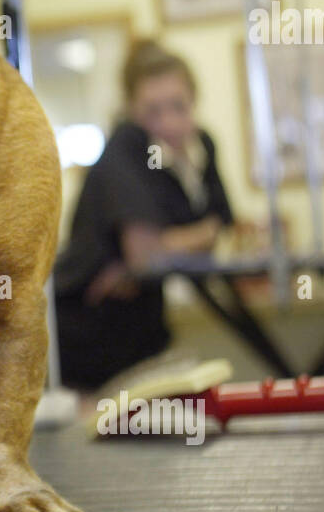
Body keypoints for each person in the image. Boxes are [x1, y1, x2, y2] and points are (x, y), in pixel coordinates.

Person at [54, 38, 234, 392]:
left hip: (143, 331)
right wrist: (184, 241)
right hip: (89, 339)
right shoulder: (125, 150)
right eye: (153, 111)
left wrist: (157, 251)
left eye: (178, 107)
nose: (168, 122)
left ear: (194, 102)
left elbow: (222, 222)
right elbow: (149, 255)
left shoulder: (201, 147)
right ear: (132, 111)